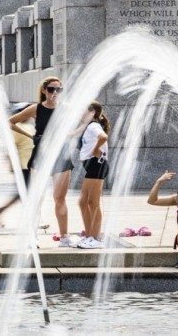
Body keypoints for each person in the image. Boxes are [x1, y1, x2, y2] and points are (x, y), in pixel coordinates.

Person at [9, 77, 74, 247]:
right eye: (51, 89)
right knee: (36, 198)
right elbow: (11, 122)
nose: (55, 93)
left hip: (62, 154)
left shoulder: (66, 109)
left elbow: (84, 121)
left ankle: (65, 237)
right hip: (41, 155)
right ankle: (32, 237)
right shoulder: (36, 108)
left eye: (58, 90)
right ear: (44, 90)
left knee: (60, 198)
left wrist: (68, 135)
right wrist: (31, 136)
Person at [75, 101, 111, 249]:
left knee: (93, 202)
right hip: (92, 165)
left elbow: (103, 137)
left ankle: (95, 238)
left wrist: (97, 150)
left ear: (92, 113)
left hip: (97, 163)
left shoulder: (93, 126)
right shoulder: (88, 126)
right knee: (83, 202)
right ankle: (89, 236)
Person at [0, 103, 35, 222]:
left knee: (26, 193)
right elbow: (11, 148)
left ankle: (2, 212)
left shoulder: (29, 126)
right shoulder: (17, 128)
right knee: (24, 193)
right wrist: (11, 163)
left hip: (30, 164)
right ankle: (1, 212)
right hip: (22, 165)